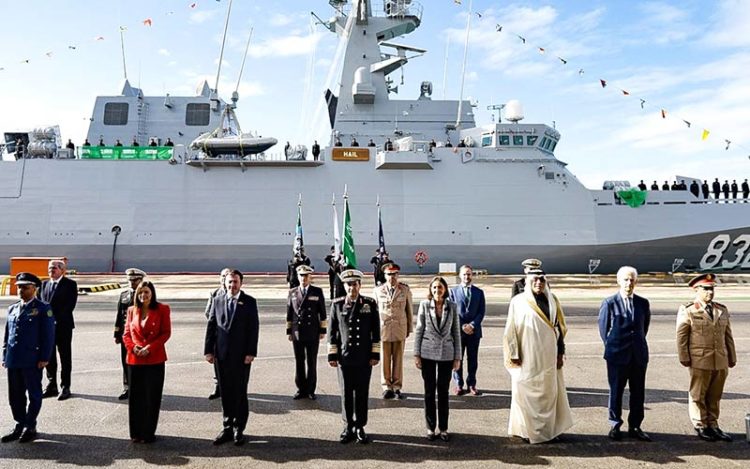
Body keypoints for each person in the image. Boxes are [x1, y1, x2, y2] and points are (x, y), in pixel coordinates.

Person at [504, 268, 573, 443]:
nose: (539, 283)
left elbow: (559, 329)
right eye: (535, 279)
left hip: (549, 357)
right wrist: (513, 354)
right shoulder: (518, 302)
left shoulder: (553, 300)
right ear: (527, 281)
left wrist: (561, 352)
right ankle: (528, 432)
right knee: (527, 393)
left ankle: (548, 432)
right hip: (527, 356)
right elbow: (510, 330)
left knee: (549, 394)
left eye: (542, 280)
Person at [676, 273, 736, 442]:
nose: (710, 292)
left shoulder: (721, 309)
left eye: (712, 289)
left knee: (715, 395)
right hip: (699, 359)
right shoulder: (688, 310)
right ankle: (700, 425)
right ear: (697, 289)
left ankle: (713, 424)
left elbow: (728, 336)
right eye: (706, 289)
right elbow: (681, 337)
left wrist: (732, 356)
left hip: (720, 359)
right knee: (698, 394)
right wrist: (684, 357)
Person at [204, 269, 259, 446]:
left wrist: (251, 352)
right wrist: (208, 350)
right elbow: (211, 325)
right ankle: (227, 427)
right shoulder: (218, 300)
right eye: (229, 282)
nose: (232, 285)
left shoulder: (249, 302)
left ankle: (239, 428)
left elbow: (253, 329)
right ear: (225, 283)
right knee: (226, 392)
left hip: (242, 356)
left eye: (235, 282)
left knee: (240, 392)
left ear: (241, 283)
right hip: (221, 355)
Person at [598, 266, 652, 442]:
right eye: (626, 280)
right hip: (617, 355)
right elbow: (604, 330)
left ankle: (635, 426)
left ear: (636, 282)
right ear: (618, 281)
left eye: (632, 280)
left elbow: (644, 328)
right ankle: (615, 424)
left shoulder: (643, 303)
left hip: (638, 355)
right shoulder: (609, 303)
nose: (629, 283)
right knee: (616, 391)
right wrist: (614, 347)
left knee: (638, 392)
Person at [327, 269, 380, 444]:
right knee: (346, 393)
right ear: (344, 286)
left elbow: (375, 331)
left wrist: (375, 353)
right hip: (345, 358)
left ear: (359, 285)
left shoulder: (370, 304)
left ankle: (360, 426)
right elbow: (332, 332)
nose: (352, 288)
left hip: (364, 358)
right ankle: (348, 426)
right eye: (349, 285)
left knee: (362, 393)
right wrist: (332, 355)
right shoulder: (337, 304)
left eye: (355, 284)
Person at [1, 273, 55, 443]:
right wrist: (4, 354)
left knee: (34, 394)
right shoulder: (13, 308)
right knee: (15, 395)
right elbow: (7, 334)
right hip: (14, 359)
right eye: (19, 287)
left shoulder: (43, 308)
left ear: (35, 288)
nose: (21, 290)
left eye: (25, 287)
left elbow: (48, 335)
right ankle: (19, 423)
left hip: (32, 359)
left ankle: (30, 425)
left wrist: (45, 357)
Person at [122, 280, 171, 444]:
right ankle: (136, 432)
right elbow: (126, 334)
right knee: (136, 398)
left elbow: (165, 333)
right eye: (141, 292)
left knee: (152, 397)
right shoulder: (131, 310)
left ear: (152, 294)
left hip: (154, 358)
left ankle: (148, 432)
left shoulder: (162, 309)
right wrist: (133, 348)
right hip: (134, 360)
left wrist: (149, 348)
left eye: (147, 292)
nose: (143, 295)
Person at [414, 276, 461, 441]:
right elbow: (419, 330)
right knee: (429, 392)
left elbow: (456, 332)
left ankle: (443, 428)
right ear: (430, 290)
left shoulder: (452, 307)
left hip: (446, 354)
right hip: (427, 353)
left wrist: (457, 357)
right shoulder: (424, 305)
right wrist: (416, 354)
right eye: (434, 288)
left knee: (443, 392)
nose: (437, 291)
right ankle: (430, 428)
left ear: (445, 289)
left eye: (440, 288)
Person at [373, 263, 413, 399]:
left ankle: (396, 386)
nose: (392, 277)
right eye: (389, 274)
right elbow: (374, 312)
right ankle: (386, 386)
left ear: (398, 275)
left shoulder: (405, 290)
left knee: (398, 359)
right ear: (385, 275)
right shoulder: (378, 291)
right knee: (384, 359)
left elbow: (409, 311)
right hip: (383, 329)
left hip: (399, 328)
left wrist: (409, 328)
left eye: (395, 274)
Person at [39, 260, 77, 401]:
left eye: (54, 268)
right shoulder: (43, 285)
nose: (51, 270)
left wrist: (53, 319)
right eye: (49, 268)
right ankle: (51, 385)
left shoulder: (70, 285)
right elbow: (40, 304)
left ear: (62, 270)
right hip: (46, 328)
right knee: (49, 356)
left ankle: (65, 386)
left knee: (65, 357)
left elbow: (69, 306)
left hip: (63, 327)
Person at [286, 265, 327, 400]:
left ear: (310, 277)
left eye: (306, 276)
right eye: (301, 276)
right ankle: (300, 388)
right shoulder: (292, 292)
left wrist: (322, 330)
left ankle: (310, 389)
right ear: (297, 277)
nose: (303, 278)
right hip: (297, 332)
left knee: (311, 361)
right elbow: (290, 313)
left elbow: (322, 313)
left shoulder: (317, 291)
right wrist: (289, 331)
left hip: (312, 331)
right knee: (299, 361)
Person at [449, 265, 485, 396]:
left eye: (469, 274)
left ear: (472, 275)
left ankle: (472, 384)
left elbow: (481, 312)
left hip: (474, 332)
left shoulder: (479, 292)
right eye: (464, 274)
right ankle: (458, 384)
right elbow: (452, 312)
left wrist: (473, 325)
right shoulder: (453, 292)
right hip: (458, 332)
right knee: (458, 358)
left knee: (473, 359)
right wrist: (463, 325)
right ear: (460, 275)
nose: (467, 277)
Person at [114, 268, 147, 400]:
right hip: (126, 335)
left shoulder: (146, 295)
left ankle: (142, 387)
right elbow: (119, 315)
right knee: (126, 361)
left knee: (141, 362)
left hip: (140, 335)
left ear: (141, 280)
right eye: (130, 280)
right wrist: (117, 333)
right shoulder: (124, 295)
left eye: (135, 280)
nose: (132, 283)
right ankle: (127, 387)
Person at [204, 268, 232, 400]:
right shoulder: (215, 293)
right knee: (217, 362)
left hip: (232, 335)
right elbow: (208, 312)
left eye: (226, 276)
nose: (223, 278)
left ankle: (233, 386)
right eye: (222, 276)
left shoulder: (235, 293)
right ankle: (218, 387)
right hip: (218, 334)